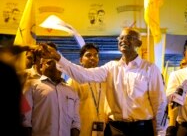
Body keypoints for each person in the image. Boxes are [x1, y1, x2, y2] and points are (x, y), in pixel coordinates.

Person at [36, 27, 167, 136]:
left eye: (129, 37)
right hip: (116, 130)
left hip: (141, 129)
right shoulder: (111, 67)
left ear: (138, 43)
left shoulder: (150, 68)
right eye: (121, 38)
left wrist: (160, 132)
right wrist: (58, 57)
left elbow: (159, 103)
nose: (123, 40)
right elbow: (83, 75)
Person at [22, 43, 81, 136]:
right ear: (41, 66)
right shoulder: (31, 87)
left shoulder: (71, 91)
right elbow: (25, 120)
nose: (55, 67)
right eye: (49, 62)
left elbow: (76, 121)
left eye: (58, 64)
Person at [67, 43, 108, 136]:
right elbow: (69, 110)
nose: (92, 58)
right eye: (88, 55)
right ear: (81, 60)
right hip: (81, 130)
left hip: (103, 129)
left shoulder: (104, 79)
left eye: (95, 55)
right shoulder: (74, 80)